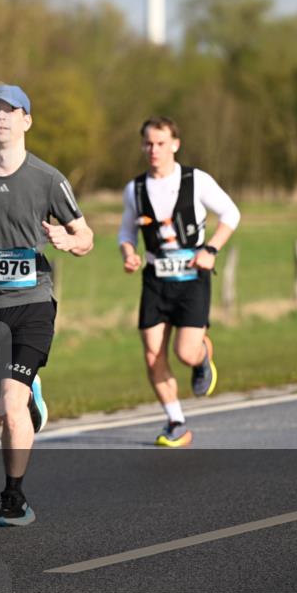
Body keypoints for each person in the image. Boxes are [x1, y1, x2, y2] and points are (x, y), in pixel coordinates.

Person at [0, 84, 94, 526]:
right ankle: (29, 396)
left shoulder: (48, 178)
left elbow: (86, 236)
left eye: (10, 111)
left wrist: (68, 240)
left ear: (27, 120)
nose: (1, 117)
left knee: (10, 401)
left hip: (32, 302)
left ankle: (14, 498)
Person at [118, 116, 240, 447]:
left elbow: (231, 214)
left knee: (184, 353)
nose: (153, 150)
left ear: (175, 144)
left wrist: (211, 249)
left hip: (191, 278)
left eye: (160, 143)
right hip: (155, 279)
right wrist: (128, 253)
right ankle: (176, 421)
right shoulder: (135, 189)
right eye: (148, 143)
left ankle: (201, 356)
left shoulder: (196, 180)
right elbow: (126, 232)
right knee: (152, 355)